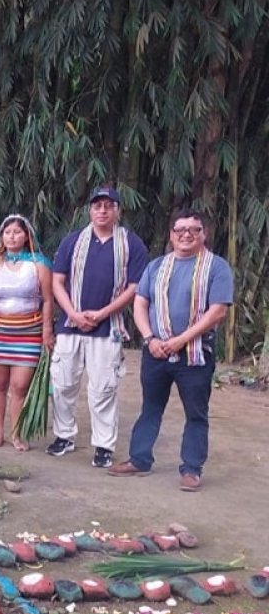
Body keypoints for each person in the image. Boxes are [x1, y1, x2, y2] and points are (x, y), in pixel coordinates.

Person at [109, 210, 233, 492]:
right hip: (156, 351)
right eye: (180, 230)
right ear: (171, 235)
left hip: (195, 354)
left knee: (196, 413)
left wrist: (181, 340)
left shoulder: (216, 267)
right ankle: (139, 460)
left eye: (194, 229)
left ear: (204, 234)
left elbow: (217, 312)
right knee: (150, 407)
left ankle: (191, 470)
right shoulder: (156, 266)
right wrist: (150, 338)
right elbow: (140, 303)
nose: (186, 234)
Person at [46, 187, 149, 469]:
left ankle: (103, 445)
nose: (102, 211)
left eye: (108, 206)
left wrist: (102, 313)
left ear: (117, 210)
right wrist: (73, 313)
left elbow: (135, 287)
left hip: (108, 327)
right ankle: (64, 436)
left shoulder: (131, 243)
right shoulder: (73, 241)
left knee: (103, 388)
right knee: (63, 383)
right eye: (97, 206)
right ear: (89, 210)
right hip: (70, 325)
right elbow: (57, 281)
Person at [0, 215, 54, 450]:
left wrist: (47, 331)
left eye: (17, 232)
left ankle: (16, 434)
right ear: (1, 236)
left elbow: (48, 300)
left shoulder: (39, 263)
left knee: (20, 386)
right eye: (7, 232)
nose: (12, 236)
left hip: (28, 332)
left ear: (27, 235)